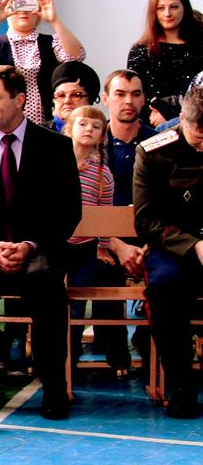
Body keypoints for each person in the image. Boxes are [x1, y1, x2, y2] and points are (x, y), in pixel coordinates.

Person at [0, 65, 82, 419]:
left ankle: (54, 387)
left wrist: (29, 245)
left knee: (45, 282)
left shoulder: (56, 147)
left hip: (39, 249)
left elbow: (69, 212)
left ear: (19, 100)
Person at [133, 84, 203, 418]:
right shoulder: (154, 152)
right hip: (173, 247)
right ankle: (181, 386)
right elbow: (146, 221)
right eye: (198, 136)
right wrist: (194, 245)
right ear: (182, 120)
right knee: (163, 287)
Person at [62, 105, 130, 375]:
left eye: (96, 127)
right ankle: (60, 361)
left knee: (77, 306)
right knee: (60, 305)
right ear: (69, 128)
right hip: (57, 246)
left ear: (102, 136)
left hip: (84, 248)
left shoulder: (103, 174)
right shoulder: (55, 164)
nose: (88, 129)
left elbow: (105, 214)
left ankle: (73, 360)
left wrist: (102, 246)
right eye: (82, 124)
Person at [0, 0, 86, 126]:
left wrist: (54, 21)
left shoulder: (52, 42)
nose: (23, 11)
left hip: (46, 122)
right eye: (17, 5)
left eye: (30, 5)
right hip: (6, 121)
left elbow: (76, 58)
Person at [101, 69, 155, 369]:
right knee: (102, 268)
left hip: (151, 237)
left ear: (144, 99)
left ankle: (150, 344)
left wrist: (149, 245)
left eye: (135, 94)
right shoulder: (91, 142)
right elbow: (82, 206)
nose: (128, 101)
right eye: (120, 94)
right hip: (103, 239)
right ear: (106, 99)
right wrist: (115, 244)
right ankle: (113, 345)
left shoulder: (160, 142)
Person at [126, 0, 203, 126]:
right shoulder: (140, 50)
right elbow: (133, 93)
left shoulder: (200, 48)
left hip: (195, 124)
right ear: (153, 12)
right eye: (160, 8)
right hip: (152, 127)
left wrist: (170, 113)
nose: (167, 13)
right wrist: (153, 114)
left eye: (174, 7)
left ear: (185, 8)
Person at [48, 60, 101, 133]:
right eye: (61, 95)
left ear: (90, 100)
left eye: (76, 95)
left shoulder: (102, 135)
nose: (67, 101)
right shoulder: (37, 135)